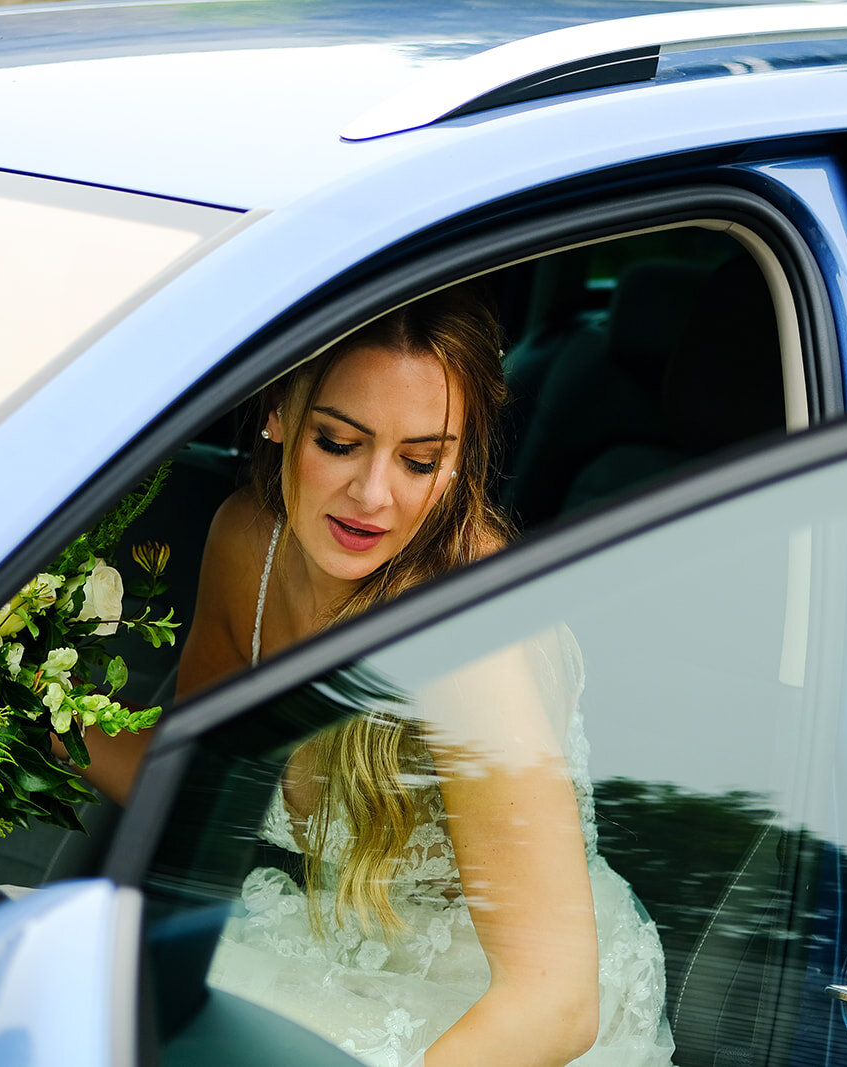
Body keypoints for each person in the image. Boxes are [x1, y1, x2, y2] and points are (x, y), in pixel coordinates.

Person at [91, 287, 673, 1066]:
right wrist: (17, 699)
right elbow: (195, 784)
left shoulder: (468, 640)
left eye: (420, 460)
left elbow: (556, 1002)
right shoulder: (246, 543)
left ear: (460, 458)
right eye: (338, 442)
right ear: (276, 411)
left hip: (486, 1012)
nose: (373, 496)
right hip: (316, 936)